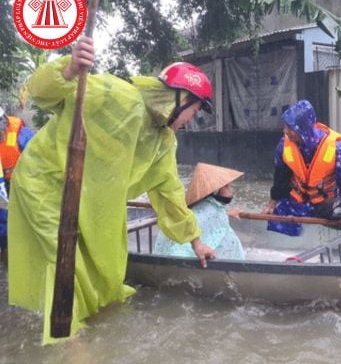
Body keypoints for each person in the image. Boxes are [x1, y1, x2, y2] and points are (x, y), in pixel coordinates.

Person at [8, 36, 216, 344]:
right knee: (64, 257)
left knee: (109, 260)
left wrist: (195, 241)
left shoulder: (163, 141)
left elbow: (169, 192)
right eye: (194, 111)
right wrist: (68, 71)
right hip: (46, 182)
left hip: (90, 199)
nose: (191, 121)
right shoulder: (118, 96)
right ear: (179, 98)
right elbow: (43, 93)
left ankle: (98, 318)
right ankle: (70, 340)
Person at [261, 100, 341, 236]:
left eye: (289, 128)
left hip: (326, 203)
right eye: (285, 127)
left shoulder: (336, 147)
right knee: (278, 217)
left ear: (302, 128)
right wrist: (271, 205)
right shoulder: (284, 145)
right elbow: (280, 178)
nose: (285, 131)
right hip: (297, 203)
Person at [154, 162, 245, 260]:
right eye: (226, 186)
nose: (231, 191)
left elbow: (205, 218)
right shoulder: (210, 209)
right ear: (215, 191)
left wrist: (227, 213)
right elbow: (203, 219)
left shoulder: (209, 208)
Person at [0, 107, 34, 261]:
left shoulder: (17, 130)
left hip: (18, 180)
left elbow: (35, 153)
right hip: (2, 182)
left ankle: (13, 250)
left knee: (16, 215)